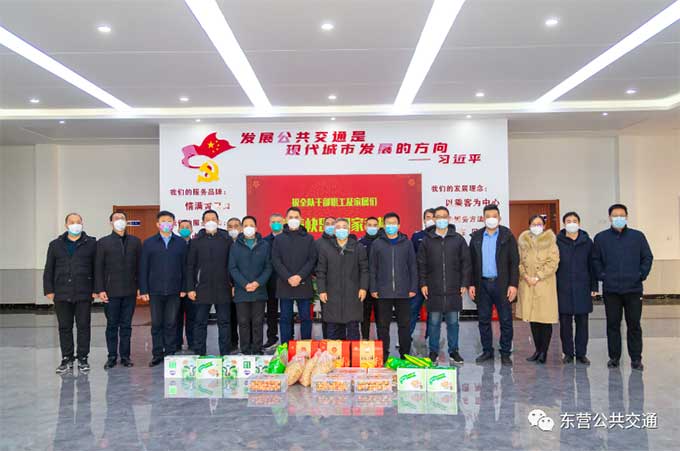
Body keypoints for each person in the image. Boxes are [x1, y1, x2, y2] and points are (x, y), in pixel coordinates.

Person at [593, 204, 653, 371]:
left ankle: (636, 358)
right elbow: (595, 260)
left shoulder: (637, 236)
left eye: (622, 215)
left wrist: (640, 274)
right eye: (615, 215)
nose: (618, 218)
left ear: (626, 217)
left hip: (633, 289)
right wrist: (602, 275)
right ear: (609, 218)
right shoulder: (601, 238)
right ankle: (614, 357)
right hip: (611, 290)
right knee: (613, 324)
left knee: (634, 325)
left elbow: (647, 257)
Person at [417, 206, 471, 364]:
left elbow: (466, 263)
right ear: (434, 219)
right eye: (438, 216)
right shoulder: (427, 240)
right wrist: (423, 283)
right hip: (433, 288)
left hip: (454, 288)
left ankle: (454, 351)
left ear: (449, 218)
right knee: (434, 322)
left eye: (444, 216)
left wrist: (464, 283)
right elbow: (421, 264)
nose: (441, 219)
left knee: (453, 323)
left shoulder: (458, 239)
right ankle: (433, 352)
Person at [44, 213, 97, 374]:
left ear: (83, 223)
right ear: (66, 225)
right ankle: (66, 358)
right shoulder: (55, 244)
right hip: (61, 292)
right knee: (64, 327)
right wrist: (49, 290)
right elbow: (49, 269)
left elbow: (97, 268)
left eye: (78, 222)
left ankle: (83, 358)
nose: (75, 224)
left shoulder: (91, 243)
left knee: (83, 326)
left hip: (84, 292)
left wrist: (96, 289)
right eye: (72, 222)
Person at [468, 204, 519, 366]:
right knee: (484, 319)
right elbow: (471, 263)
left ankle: (505, 352)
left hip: (502, 284)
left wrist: (513, 284)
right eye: (488, 216)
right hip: (482, 284)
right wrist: (471, 284)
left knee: (505, 320)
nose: (491, 219)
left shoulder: (507, 236)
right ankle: (487, 351)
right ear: (483, 218)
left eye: (494, 216)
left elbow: (514, 262)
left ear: (499, 218)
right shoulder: (476, 237)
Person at [139, 210, 187, 366]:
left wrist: (184, 287)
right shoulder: (149, 243)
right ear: (158, 224)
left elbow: (185, 267)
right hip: (155, 290)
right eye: (163, 221)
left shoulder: (180, 243)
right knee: (157, 324)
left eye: (169, 221)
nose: (166, 223)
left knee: (171, 323)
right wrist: (144, 290)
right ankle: (157, 354)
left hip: (174, 290)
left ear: (174, 223)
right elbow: (143, 267)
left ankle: (170, 352)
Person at [95, 211, 142, 369]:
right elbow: (98, 268)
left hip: (130, 291)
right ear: (111, 223)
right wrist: (100, 289)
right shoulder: (103, 243)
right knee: (112, 326)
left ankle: (125, 357)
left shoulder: (135, 242)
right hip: (111, 292)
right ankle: (112, 356)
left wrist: (140, 287)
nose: (120, 221)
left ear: (126, 222)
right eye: (116, 219)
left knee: (126, 326)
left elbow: (140, 267)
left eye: (122, 218)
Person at [369, 212, 418, 361]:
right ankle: (384, 355)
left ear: (399, 225)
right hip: (383, 292)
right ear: (384, 226)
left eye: (394, 223)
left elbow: (412, 266)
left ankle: (405, 355)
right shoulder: (377, 244)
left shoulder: (407, 243)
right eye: (388, 224)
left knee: (404, 325)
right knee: (383, 326)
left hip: (404, 292)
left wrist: (413, 287)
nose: (391, 226)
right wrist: (373, 288)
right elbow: (372, 268)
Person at [186, 209, 233, 356]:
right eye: (207, 219)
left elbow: (232, 264)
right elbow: (190, 266)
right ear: (203, 222)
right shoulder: (196, 241)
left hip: (223, 287)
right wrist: (190, 288)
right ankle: (200, 353)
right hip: (202, 288)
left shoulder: (226, 240)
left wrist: (233, 285)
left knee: (224, 322)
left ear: (218, 221)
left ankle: (225, 354)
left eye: (213, 219)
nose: (211, 221)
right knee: (200, 322)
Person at [556, 212, 598, 365]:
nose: (571, 223)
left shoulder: (587, 242)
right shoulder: (557, 241)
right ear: (564, 224)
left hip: (582, 287)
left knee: (583, 323)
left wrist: (594, 285)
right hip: (563, 287)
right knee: (565, 323)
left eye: (574, 221)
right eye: (568, 221)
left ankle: (581, 353)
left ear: (579, 223)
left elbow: (592, 265)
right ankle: (568, 353)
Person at [316, 218, 369, 340]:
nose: (341, 230)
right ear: (334, 231)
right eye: (338, 227)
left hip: (353, 294)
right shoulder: (326, 248)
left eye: (344, 227)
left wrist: (363, 288)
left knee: (353, 330)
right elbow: (321, 271)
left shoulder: (358, 247)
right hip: (332, 294)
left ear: (349, 230)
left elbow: (364, 270)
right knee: (333, 332)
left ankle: (351, 353)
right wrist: (322, 290)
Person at [517, 214, 559, 364]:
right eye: (534, 224)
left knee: (545, 320)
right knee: (533, 320)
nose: (536, 227)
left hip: (544, 285)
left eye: (539, 224)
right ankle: (537, 350)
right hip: (528, 285)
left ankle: (544, 352)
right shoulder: (523, 242)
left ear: (544, 226)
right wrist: (525, 276)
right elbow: (519, 262)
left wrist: (538, 277)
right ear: (529, 226)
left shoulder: (551, 242)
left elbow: (553, 263)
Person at [271, 207, 317, 344]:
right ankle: (285, 347)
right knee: (285, 318)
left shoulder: (309, 238)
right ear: (286, 219)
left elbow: (312, 260)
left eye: (296, 217)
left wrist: (299, 276)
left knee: (306, 317)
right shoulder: (279, 239)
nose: (293, 220)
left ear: (301, 219)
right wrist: (288, 277)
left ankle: (306, 346)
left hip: (303, 283)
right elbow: (276, 260)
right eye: (291, 217)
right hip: (285, 283)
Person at [229, 216, 272, 354]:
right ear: (242, 228)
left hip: (259, 290)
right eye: (246, 225)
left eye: (251, 225)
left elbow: (268, 267)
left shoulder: (264, 245)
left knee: (258, 322)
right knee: (243, 322)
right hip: (242, 291)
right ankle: (245, 350)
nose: (248, 228)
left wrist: (257, 283)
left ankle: (257, 349)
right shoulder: (235, 246)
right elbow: (232, 268)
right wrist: (244, 284)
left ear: (256, 228)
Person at [410, 208, 436, 338]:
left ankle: (430, 337)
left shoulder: (440, 236)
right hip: (419, 279)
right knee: (413, 309)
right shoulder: (417, 236)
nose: (430, 220)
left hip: (435, 280)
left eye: (433, 217)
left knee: (433, 312)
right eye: (427, 217)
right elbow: (411, 258)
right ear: (424, 220)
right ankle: (406, 336)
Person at [263, 213, 284, 349]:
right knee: (271, 312)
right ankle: (272, 338)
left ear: (283, 223)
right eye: (273, 222)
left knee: (287, 313)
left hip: (286, 281)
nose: (276, 224)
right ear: (270, 224)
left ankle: (288, 338)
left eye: (278, 221)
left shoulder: (288, 239)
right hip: (270, 281)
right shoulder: (264, 241)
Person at [359, 216, 380, 339]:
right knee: (364, 316)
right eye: (369, 225)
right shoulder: (360, 243)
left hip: (380, 285)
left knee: (381, 317)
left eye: (375, 225)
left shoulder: (382, 242)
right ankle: (365, 339)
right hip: (365, 286)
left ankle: (382, 342)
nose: (372, 227)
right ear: (365, 227)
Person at [176, 219, 195, 351]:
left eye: (187, 227)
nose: (184, 229)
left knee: (192, 318)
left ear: (192, 229)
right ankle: (177, 343)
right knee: (176, 318)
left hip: (192, 288)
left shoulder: (196, 244)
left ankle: (192, 343)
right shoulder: (174, 244)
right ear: (178, 229)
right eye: (182, 227)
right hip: (177, 288)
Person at [316, 216, 336, 339]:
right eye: (327, 224)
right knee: (327, 315)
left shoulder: (342, 241)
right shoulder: (318, 243)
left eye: (333, 223)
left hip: (342, 285)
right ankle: (327, 340)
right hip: (325, 285)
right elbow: (314, 263)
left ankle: (340, 342)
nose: (330, 226)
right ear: (323, 226)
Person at [226, 216, 242, 350]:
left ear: (241, 228)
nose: (233, 229)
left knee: (244, 318)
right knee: (230, 316)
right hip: (227, 285)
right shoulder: (224, 243)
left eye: (236, 226)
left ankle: (248, 344)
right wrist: (230, 284)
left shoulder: (245, 242)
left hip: (243, 285)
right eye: (230, 226)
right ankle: (233, 343)